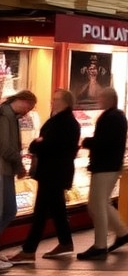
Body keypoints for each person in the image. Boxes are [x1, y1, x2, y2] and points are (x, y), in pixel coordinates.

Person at [8, 90, 80, 263]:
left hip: (53, 173)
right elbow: (45, 142)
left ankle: (29, 250)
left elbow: (47, 145)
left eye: (55, 100)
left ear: (65, 102)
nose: (52, 102)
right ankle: (65, 242)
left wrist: (37, 144)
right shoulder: (63, 121)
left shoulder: (64, 123)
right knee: (57, 209)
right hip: (55, 172)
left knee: (40, 211)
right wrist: (39, 142)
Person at [78, 88, 128, 261]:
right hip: (109, 165)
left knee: (97, 205)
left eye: (102, 97)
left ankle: (100, 245)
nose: (99, 99)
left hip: (105, 166)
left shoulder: (112, 117)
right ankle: (123, 233)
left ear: (110, 99)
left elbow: (106, 142)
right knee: (101, 203)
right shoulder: (115, 116)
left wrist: (86, 142)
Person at [0, 91, 36, 269]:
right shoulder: (4, 115)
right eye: (28, 107)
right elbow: (5, 147)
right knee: (5, 210)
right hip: (2, 169)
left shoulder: (11, 116)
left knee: (9, 210)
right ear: (22, 100)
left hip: (7, 170)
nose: (27, 112)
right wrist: (19, 164)